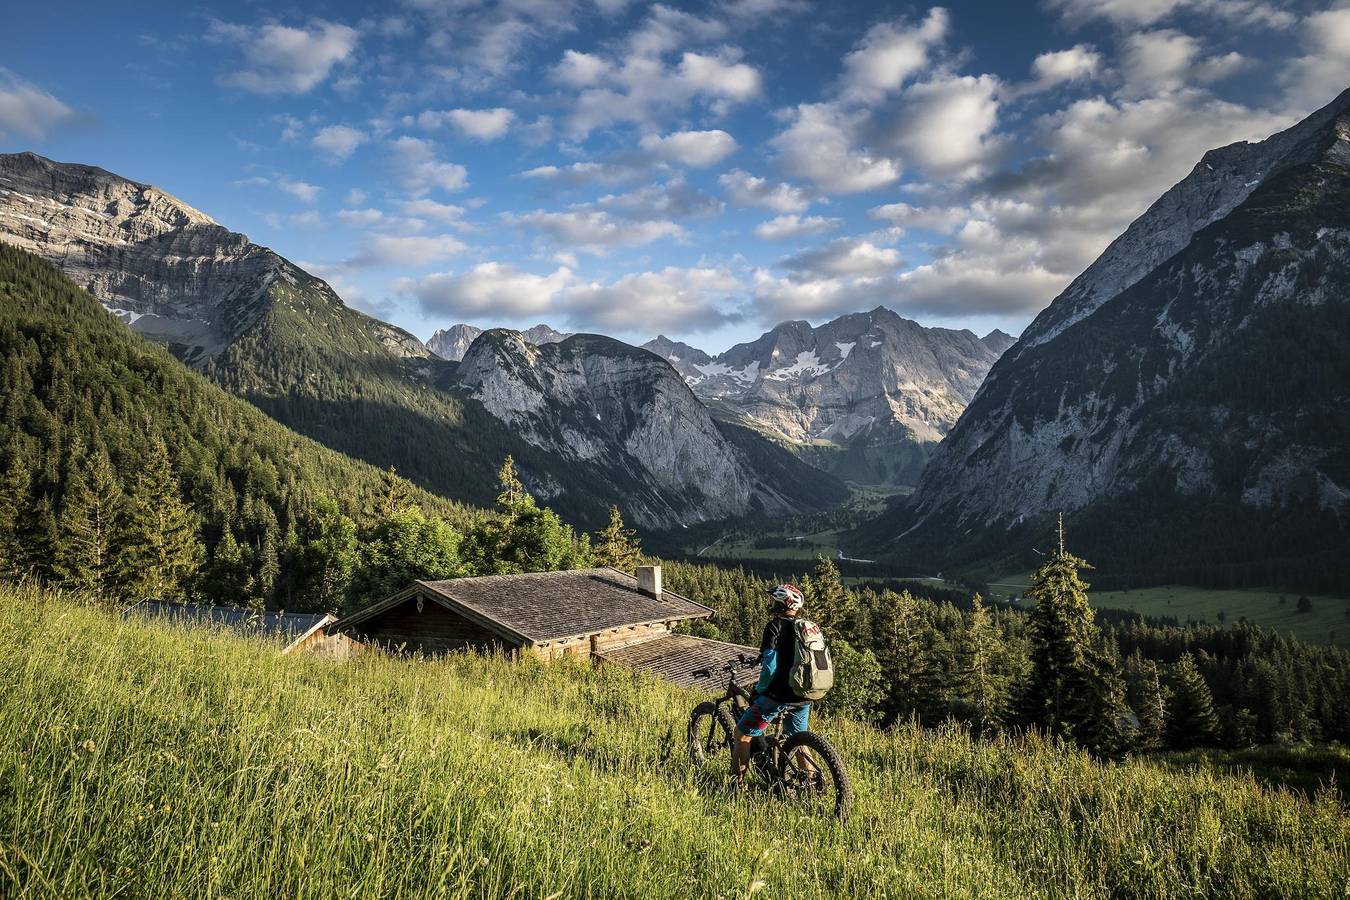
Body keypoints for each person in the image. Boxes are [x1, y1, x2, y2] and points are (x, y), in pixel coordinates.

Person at [730, 583, 820, 794]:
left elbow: (770, 666)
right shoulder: (806, 627)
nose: (771, 603)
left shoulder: (774, 626)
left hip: (779, 696)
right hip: (804, 694)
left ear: (781, 603)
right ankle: (812, 786)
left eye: (774, 600)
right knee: (798, 739)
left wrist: (760, 689)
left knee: (742, 734)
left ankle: (736, 787)